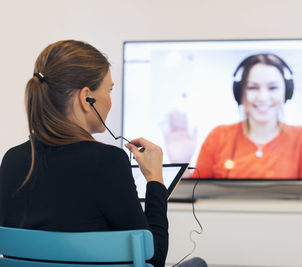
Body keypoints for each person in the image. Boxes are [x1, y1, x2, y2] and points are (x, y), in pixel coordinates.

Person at [0, 40, 206, 267]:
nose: (109, 100)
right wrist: (156, 181)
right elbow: (153, 259)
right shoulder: (107, 162)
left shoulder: (12, 160)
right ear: (86, 98)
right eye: (109, 90)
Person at [163, 53, 302, 179]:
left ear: (287, 92)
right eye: (252, 87)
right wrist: (180, 164)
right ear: (240, 93)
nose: (262, 97)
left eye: (272, 87)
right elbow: (196, 198)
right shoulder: (218, 137)